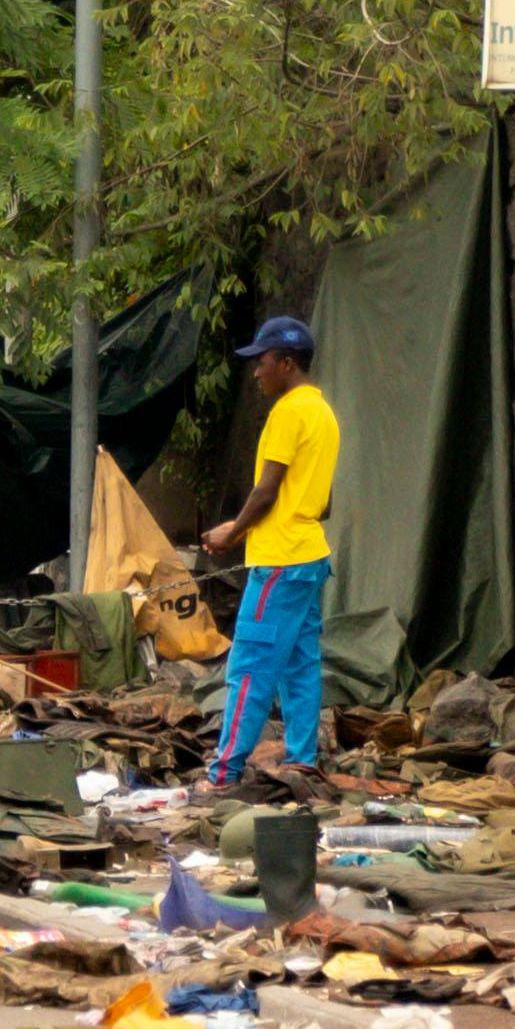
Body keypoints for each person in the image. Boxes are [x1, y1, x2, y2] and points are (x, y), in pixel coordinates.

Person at [197, 314, 343, 780]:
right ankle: (303, 761)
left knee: (248, 669)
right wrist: (247, 524)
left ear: (286, 362)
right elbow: (321, 502)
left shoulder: (288, 412)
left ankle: (223, 772)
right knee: (301, 667)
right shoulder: (323, 414)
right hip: (310, 557)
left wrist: (232, 533)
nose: (256, 372)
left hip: (279, 561)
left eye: (262, 362)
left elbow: (266, 491)